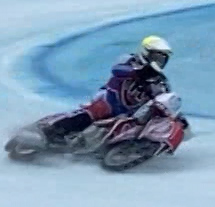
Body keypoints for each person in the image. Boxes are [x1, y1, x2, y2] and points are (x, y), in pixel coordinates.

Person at [38, 36, 173, 141]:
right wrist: (138, 72)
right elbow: (117, 69)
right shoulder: (130, 60)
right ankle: (51, 130)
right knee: (93, 113)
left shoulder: (159, 81)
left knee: (138, 125)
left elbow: (164, 97)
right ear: (146, 53)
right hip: (109, 99)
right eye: (157, 57)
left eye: (163, 59)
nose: (159, 62)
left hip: (130, 113)